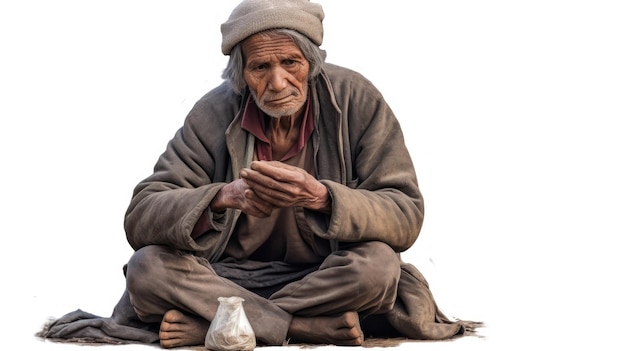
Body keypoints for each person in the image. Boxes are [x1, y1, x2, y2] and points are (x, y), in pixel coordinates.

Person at [38, 0, 479, 348]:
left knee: (379, 266)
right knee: (147, 267)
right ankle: (301, 329)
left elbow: (405, 212)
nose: (278, 81)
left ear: (312, 62)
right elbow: (141, 214)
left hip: (323, 276)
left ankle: (224, 326)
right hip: (230, 279)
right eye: (260, 67)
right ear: (242, 75)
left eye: (291, 63)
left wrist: (323, 198)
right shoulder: (215, 111)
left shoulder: (356, 100)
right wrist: (221, 197)